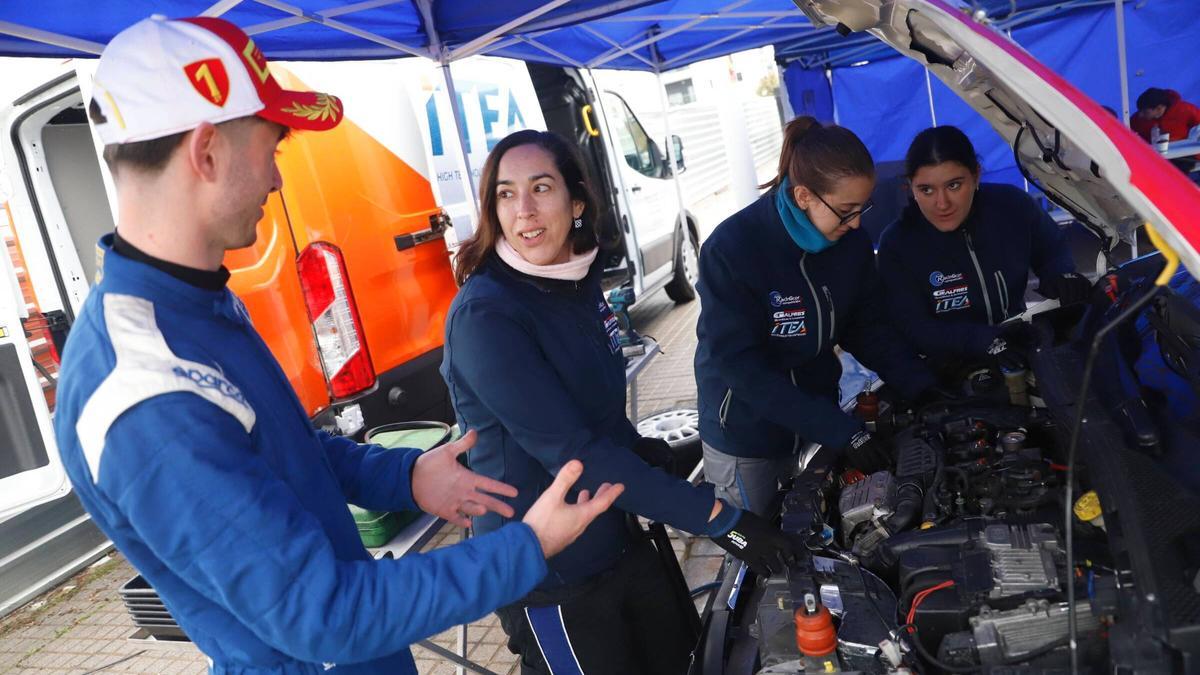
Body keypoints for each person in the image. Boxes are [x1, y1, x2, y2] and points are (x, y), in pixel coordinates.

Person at [54, 17, 624, 675]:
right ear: (206, 151)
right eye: (272, 148)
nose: (275, 180)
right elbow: (327, 615)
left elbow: (282, 445)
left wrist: (403, 475)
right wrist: (526, 546)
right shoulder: (143, 393)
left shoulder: (192, 299)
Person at [440, 129, 799, 675]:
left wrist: (645, 450)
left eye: (542, 188)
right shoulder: (486, 315)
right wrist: (720, 518)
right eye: (506, 194)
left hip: (616, 529)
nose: (525, 210)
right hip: (549, 569)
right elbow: (572, 451)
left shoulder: (575, 281)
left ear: (577, 201)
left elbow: (599, 412)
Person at [694, 116, 940, 517]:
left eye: (863, 207)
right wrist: (843, 433)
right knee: (761, 546)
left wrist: (918, 383)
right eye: (846, 211)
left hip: (815, 414)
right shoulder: (733, 249)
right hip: (746, 432)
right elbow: (742, 370)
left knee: (815, 529)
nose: (857, 223)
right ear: (805, 196)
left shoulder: (850, 243)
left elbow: (866, 327)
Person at [876, 126, 1087, 376]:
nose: (942, 204)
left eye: (954, 185)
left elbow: (1052, 250)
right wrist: (982, 340)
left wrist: (1060, 275)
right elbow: (914, 327)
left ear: (976, 175)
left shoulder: (1012, 207)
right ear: (910, 187)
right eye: (927, 190)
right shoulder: (897, 243)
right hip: (947, 368)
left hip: (1016, 346)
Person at [1130, 87, 1200, 171]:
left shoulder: (1185, 110)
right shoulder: (1137, 119)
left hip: (1182, 156)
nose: (1141, 115)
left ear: (1159, 108)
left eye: (1145, 112)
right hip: (1153, 156)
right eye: (1139, 111)